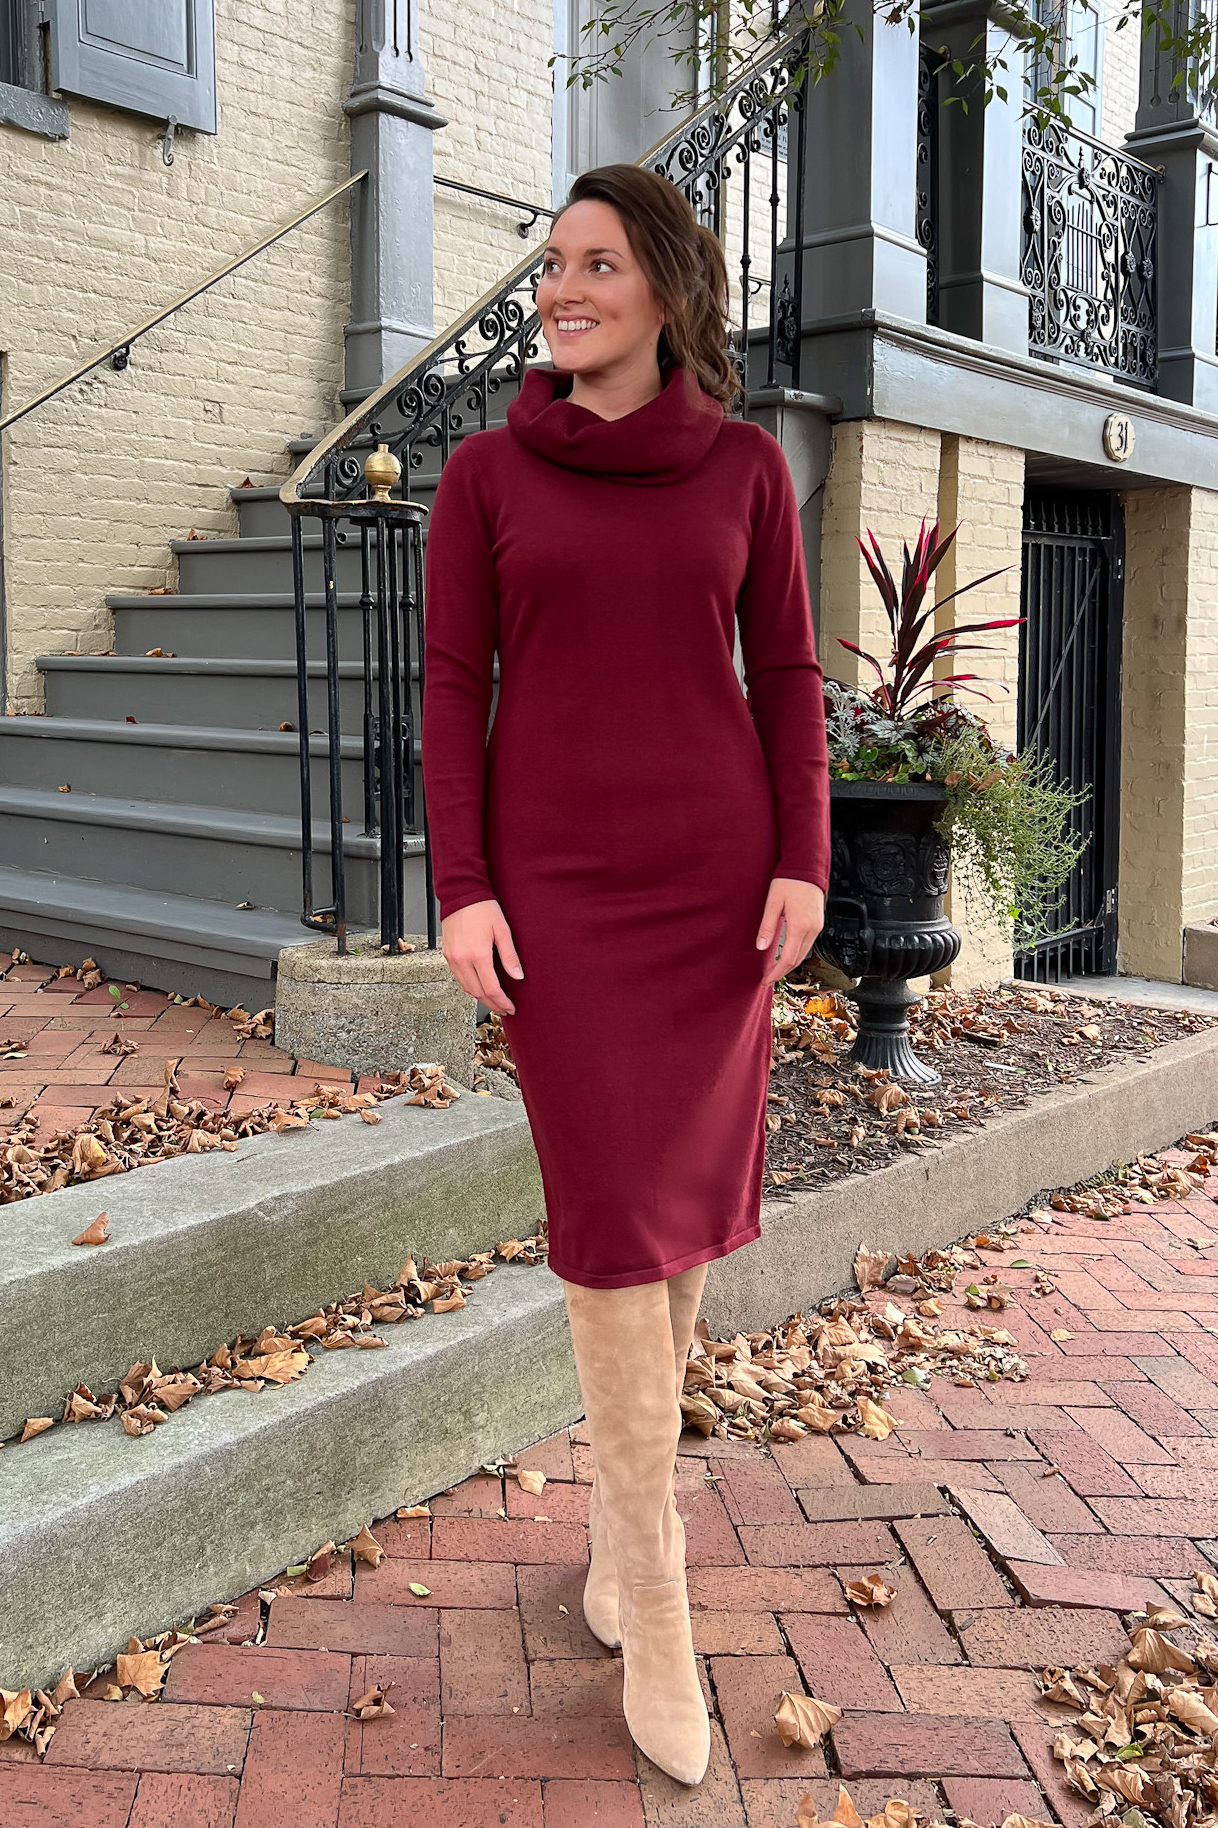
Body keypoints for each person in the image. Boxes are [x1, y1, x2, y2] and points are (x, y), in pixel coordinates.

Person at [421, 162, 831, 1787]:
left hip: (715, 895)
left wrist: (802, 858)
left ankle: (619, 1526)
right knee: (608, 1216)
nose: (561, 291)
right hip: (562, 908)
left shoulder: (744, 468)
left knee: (678, 1219)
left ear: (664, 286)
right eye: (551, 266)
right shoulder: (483, 475)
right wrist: (462, 888)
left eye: (595, 264)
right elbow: (451, 687)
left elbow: (785, 670)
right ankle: (656, 1596)